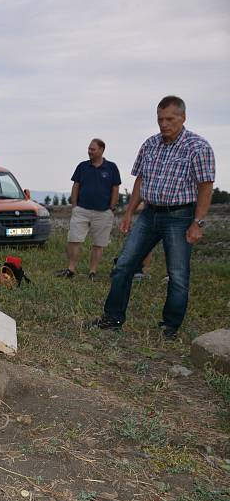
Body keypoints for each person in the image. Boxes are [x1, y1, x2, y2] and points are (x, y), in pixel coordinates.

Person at [89, 96, 215, 340]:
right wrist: (128, 213)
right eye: (160, 119)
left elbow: (206, 186)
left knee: (177, 274)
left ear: (183, 118)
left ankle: (170, 327)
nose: (164, 124)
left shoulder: (198, 147)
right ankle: (112, 318)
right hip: (149, 215)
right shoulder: (150, 144)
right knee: (123, 265)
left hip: (180, 216)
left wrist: (197, 222)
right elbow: (141, 180)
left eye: (170, 119)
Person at [56, 138, 121, 280]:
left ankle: (93, 272)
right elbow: (76, 185)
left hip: (103, 212)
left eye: (93, 149)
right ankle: (71, 269)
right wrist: (74, 205)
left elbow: (115, 188)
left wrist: (111, 207)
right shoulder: (82, 166)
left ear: (102, 150)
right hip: (81, 210)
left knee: (98, 244)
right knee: (74, 239)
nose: (89, 151)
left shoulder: (111, 168)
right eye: (89, 149)